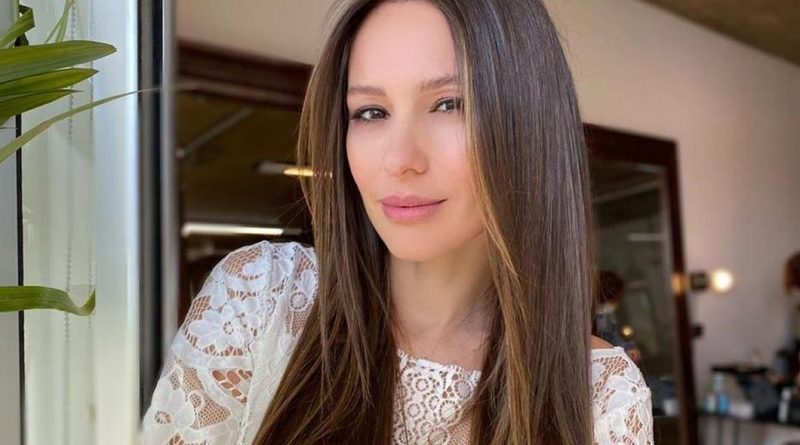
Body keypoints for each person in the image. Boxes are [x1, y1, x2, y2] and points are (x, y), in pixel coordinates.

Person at [141, 0, 653, 443]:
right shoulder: (260, 298)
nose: (399, 159)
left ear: (531, 126)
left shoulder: (601, 394)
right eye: (370, 112)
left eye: (449, 104)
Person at [594, 270, 643, 364]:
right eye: (614, 300)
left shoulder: (607, 317)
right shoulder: (588, 321)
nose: (615, 305)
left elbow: (612, 336)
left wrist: (628, 349)